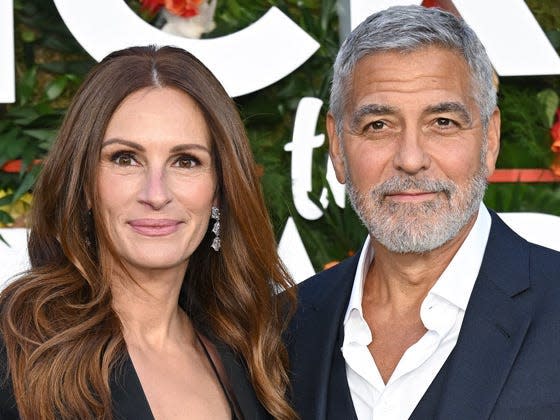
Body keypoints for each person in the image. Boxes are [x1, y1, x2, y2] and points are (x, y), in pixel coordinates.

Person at [286, 5, 560, 420]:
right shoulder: (283, 328)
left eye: (443, 122)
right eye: (379, 125)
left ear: (490, 140)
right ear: (338, 148)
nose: (411, 159)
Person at [0, 45, 297, 420]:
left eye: (186, 161)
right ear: (85, 184)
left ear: (219, 190)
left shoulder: (252, 352)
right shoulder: (15, 347)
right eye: (125, 158)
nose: (156, 194)